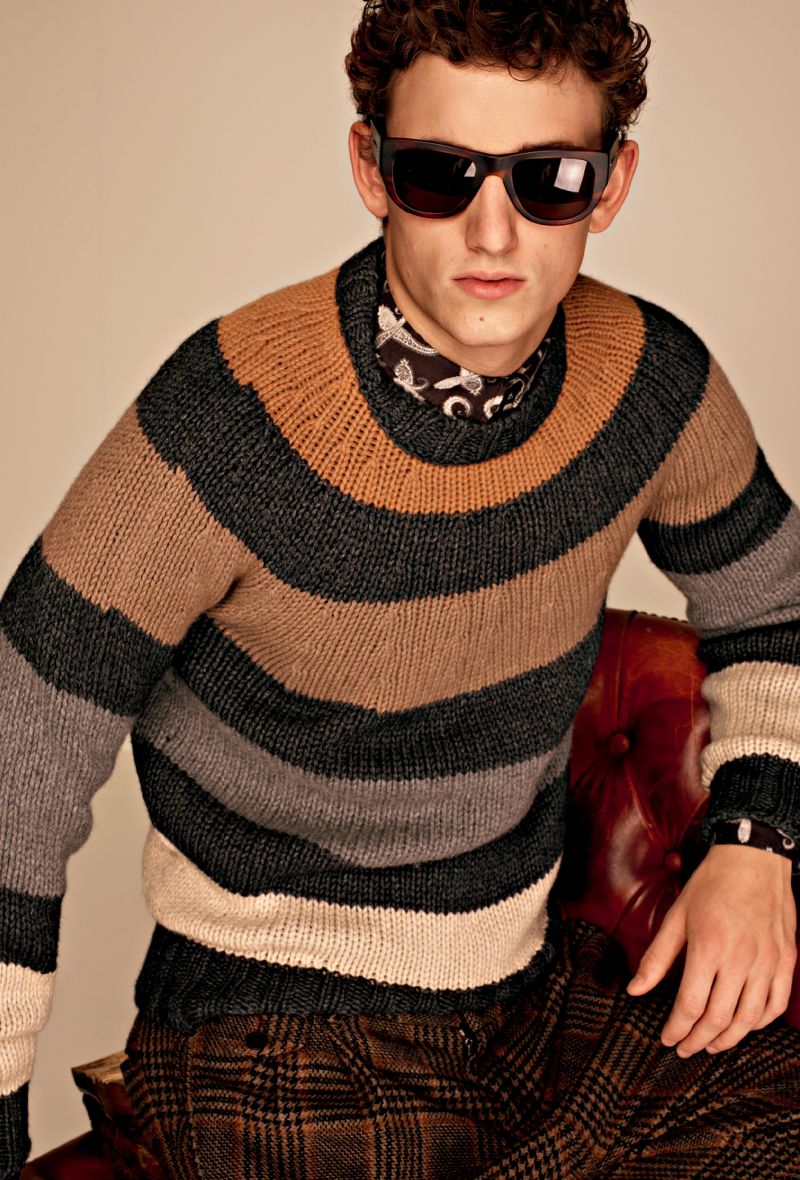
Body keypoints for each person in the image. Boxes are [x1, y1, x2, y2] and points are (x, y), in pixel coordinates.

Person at [1, 1, 799, 1176]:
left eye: (548, 178)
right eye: (439, 172)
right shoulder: (226, 417)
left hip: (524, 991)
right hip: (264, 1024)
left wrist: (752, 843)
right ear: (371, 168)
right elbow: (19, 750)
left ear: (610, 185)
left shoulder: (649, 383)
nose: (492, 229)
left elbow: (772, 607)